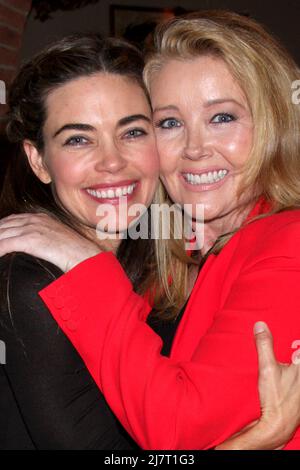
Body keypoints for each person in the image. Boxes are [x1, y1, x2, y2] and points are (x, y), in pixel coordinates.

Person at [1, 13, 300, 449]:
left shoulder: (284, 242)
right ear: (38, 160)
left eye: (222, 118)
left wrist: (84, 262)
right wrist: (257, 440)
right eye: (170, 123)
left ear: (274, 125)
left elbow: (178, 426)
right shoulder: (37, 281)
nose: (195, 149)